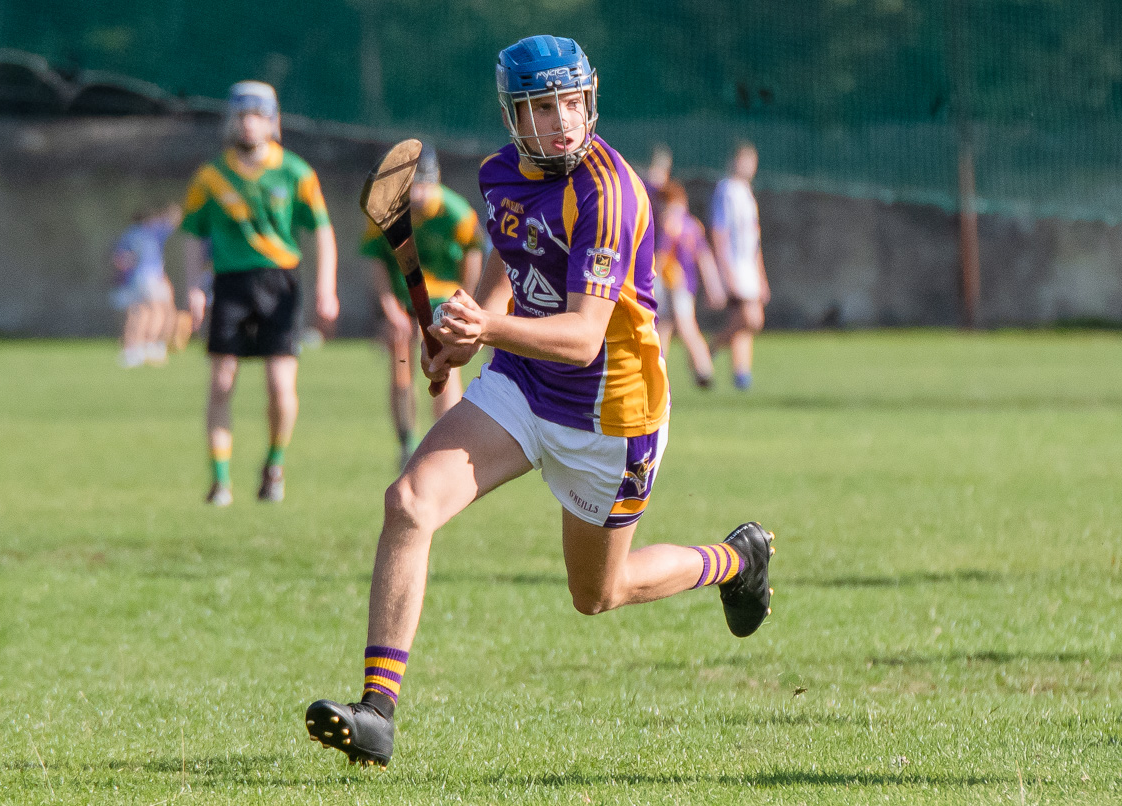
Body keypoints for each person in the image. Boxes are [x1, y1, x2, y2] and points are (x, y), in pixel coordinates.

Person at [304, 35, 775, 769]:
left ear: (589, 100)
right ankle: (377, 713)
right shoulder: (499, 175)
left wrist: (487, 327)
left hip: (611, 416)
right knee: (408, 504)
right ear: (511, 115)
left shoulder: (608, 191)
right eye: (540, 108)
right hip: (523, 387)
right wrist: (463, 335)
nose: (560, 121)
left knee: (599, 594)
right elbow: (509, 255)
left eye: (570, 103)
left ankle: (733, 561)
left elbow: (585, 336)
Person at [180, 80, 338, 506]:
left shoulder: (296, 172)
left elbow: (322, 231)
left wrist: (326, 287)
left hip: (281, 283)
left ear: (273, 121)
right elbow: (193, 235)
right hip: (231, 283)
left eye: (258, 115)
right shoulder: (211, 176)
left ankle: (274, 466)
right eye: (242, 115)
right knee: (221, 381)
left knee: (280, 389)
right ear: (232, 120)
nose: (249, 124)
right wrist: (195, 286)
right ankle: (220, 481)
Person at [361, 145, 484, 469]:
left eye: (423, 185)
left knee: (444, 368)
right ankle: (406, 444)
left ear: (435, 180)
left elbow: (474, 255)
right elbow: (375, 261)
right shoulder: (387, 211)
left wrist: (465, 302)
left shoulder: (456, 212)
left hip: (443, 300)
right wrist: (389, 308)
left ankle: (444, 446)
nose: (417, 193)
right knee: (401, 367)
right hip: (403, 301)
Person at [708, 141, 770, 391]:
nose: (748, 166)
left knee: (745, 320)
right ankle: (711, 347)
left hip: (749, 266)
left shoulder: (747, 192)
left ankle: (741, 373)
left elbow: (755, 239)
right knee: (750, 318)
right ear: (734, 161)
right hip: (735, 264)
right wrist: (725, 270)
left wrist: (761, 274)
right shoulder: (727, 190)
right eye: (744, 160)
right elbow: (719, 232)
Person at [653, 180, 725, 388]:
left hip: (677, 284)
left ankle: (704, 370)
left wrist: (650, 279)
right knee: (663, 327)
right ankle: (658, 370)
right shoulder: (692, 224)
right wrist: (713, 286)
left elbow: (662, 256)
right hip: (676, 284)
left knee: (685, 327)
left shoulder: (672, 224)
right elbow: (704, 256)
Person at [109, 204, 181, 367]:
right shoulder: (153, 231)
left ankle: (132, 349)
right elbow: (174, 220)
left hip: (136, 278)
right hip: (150, 275)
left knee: (139, 312)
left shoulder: (131, 233)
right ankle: (149, 345)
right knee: (157, 309)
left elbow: (119, 258)